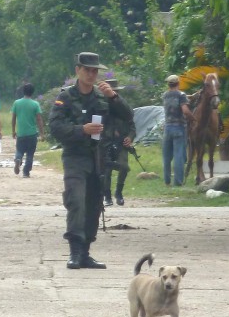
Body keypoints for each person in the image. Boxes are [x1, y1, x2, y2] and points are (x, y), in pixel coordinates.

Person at [49, 51, 134, 269]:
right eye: (87, 70)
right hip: (75, 157)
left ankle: (86, 252)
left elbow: (127, 116)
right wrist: (81, 130)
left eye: (95, 70)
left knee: (94, 204)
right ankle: (75, 252)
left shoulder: (102, 96)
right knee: (76, 200)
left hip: (98, 157)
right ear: (77, 70)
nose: (91, 74)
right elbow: (55, 128)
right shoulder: (66, 97)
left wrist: (114, 97)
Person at [100, 78, 136, 206]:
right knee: (107, 170)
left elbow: (132, 125)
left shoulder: (123, 106)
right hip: (106, 142)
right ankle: (107, 196)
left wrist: (130, 138)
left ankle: (119, 193)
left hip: (121, 143)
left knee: (124, 167)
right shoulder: (102, 106)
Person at [161, 74, 194, 187]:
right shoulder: (181, 95)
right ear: (178, 83)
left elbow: (175, 98)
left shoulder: (165, 95)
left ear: (168, 84)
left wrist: (190, 96)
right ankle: (178, 182)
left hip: (167, 128)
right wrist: (193, 118)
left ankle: (167, 181)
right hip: (179, 128)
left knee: (166, 156)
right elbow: (185, 110)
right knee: (178, 155)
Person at [10, 82, 44, 177]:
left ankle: (18, 159)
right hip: (32, 134)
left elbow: (13, 119)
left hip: (21, 133)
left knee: (19, 150)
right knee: (30, 154)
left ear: (23, 91)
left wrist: (13, 131)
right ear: (32, 92)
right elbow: (39, 119)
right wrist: (42, 133)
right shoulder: (35, 104)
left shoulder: (16, 103)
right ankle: (26, 172)